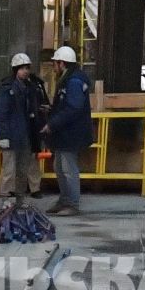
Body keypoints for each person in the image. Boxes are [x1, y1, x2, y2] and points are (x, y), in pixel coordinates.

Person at [44, 45, 93, 216]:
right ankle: (64, 200)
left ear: (62, 63)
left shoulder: (74, 82)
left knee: (68, 169)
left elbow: (73, 108)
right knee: (59, 167)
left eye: (55, 64)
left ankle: (72, 203)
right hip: (65, 134)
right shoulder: (69, 79)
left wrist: (52, 124)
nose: (53, 67)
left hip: (70, 134)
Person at [0, 52, 48, 199]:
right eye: (22, 68)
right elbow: (0, 113)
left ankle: (20, 191)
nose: (25, 71)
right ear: (15, 69)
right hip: (12, 133)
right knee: (9, 165)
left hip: (27, 133)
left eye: (27, 68)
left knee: (27, 164)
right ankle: (5, 192)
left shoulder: (32, 86)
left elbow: (38, 108)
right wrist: (3, 135)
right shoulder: (7, 88)